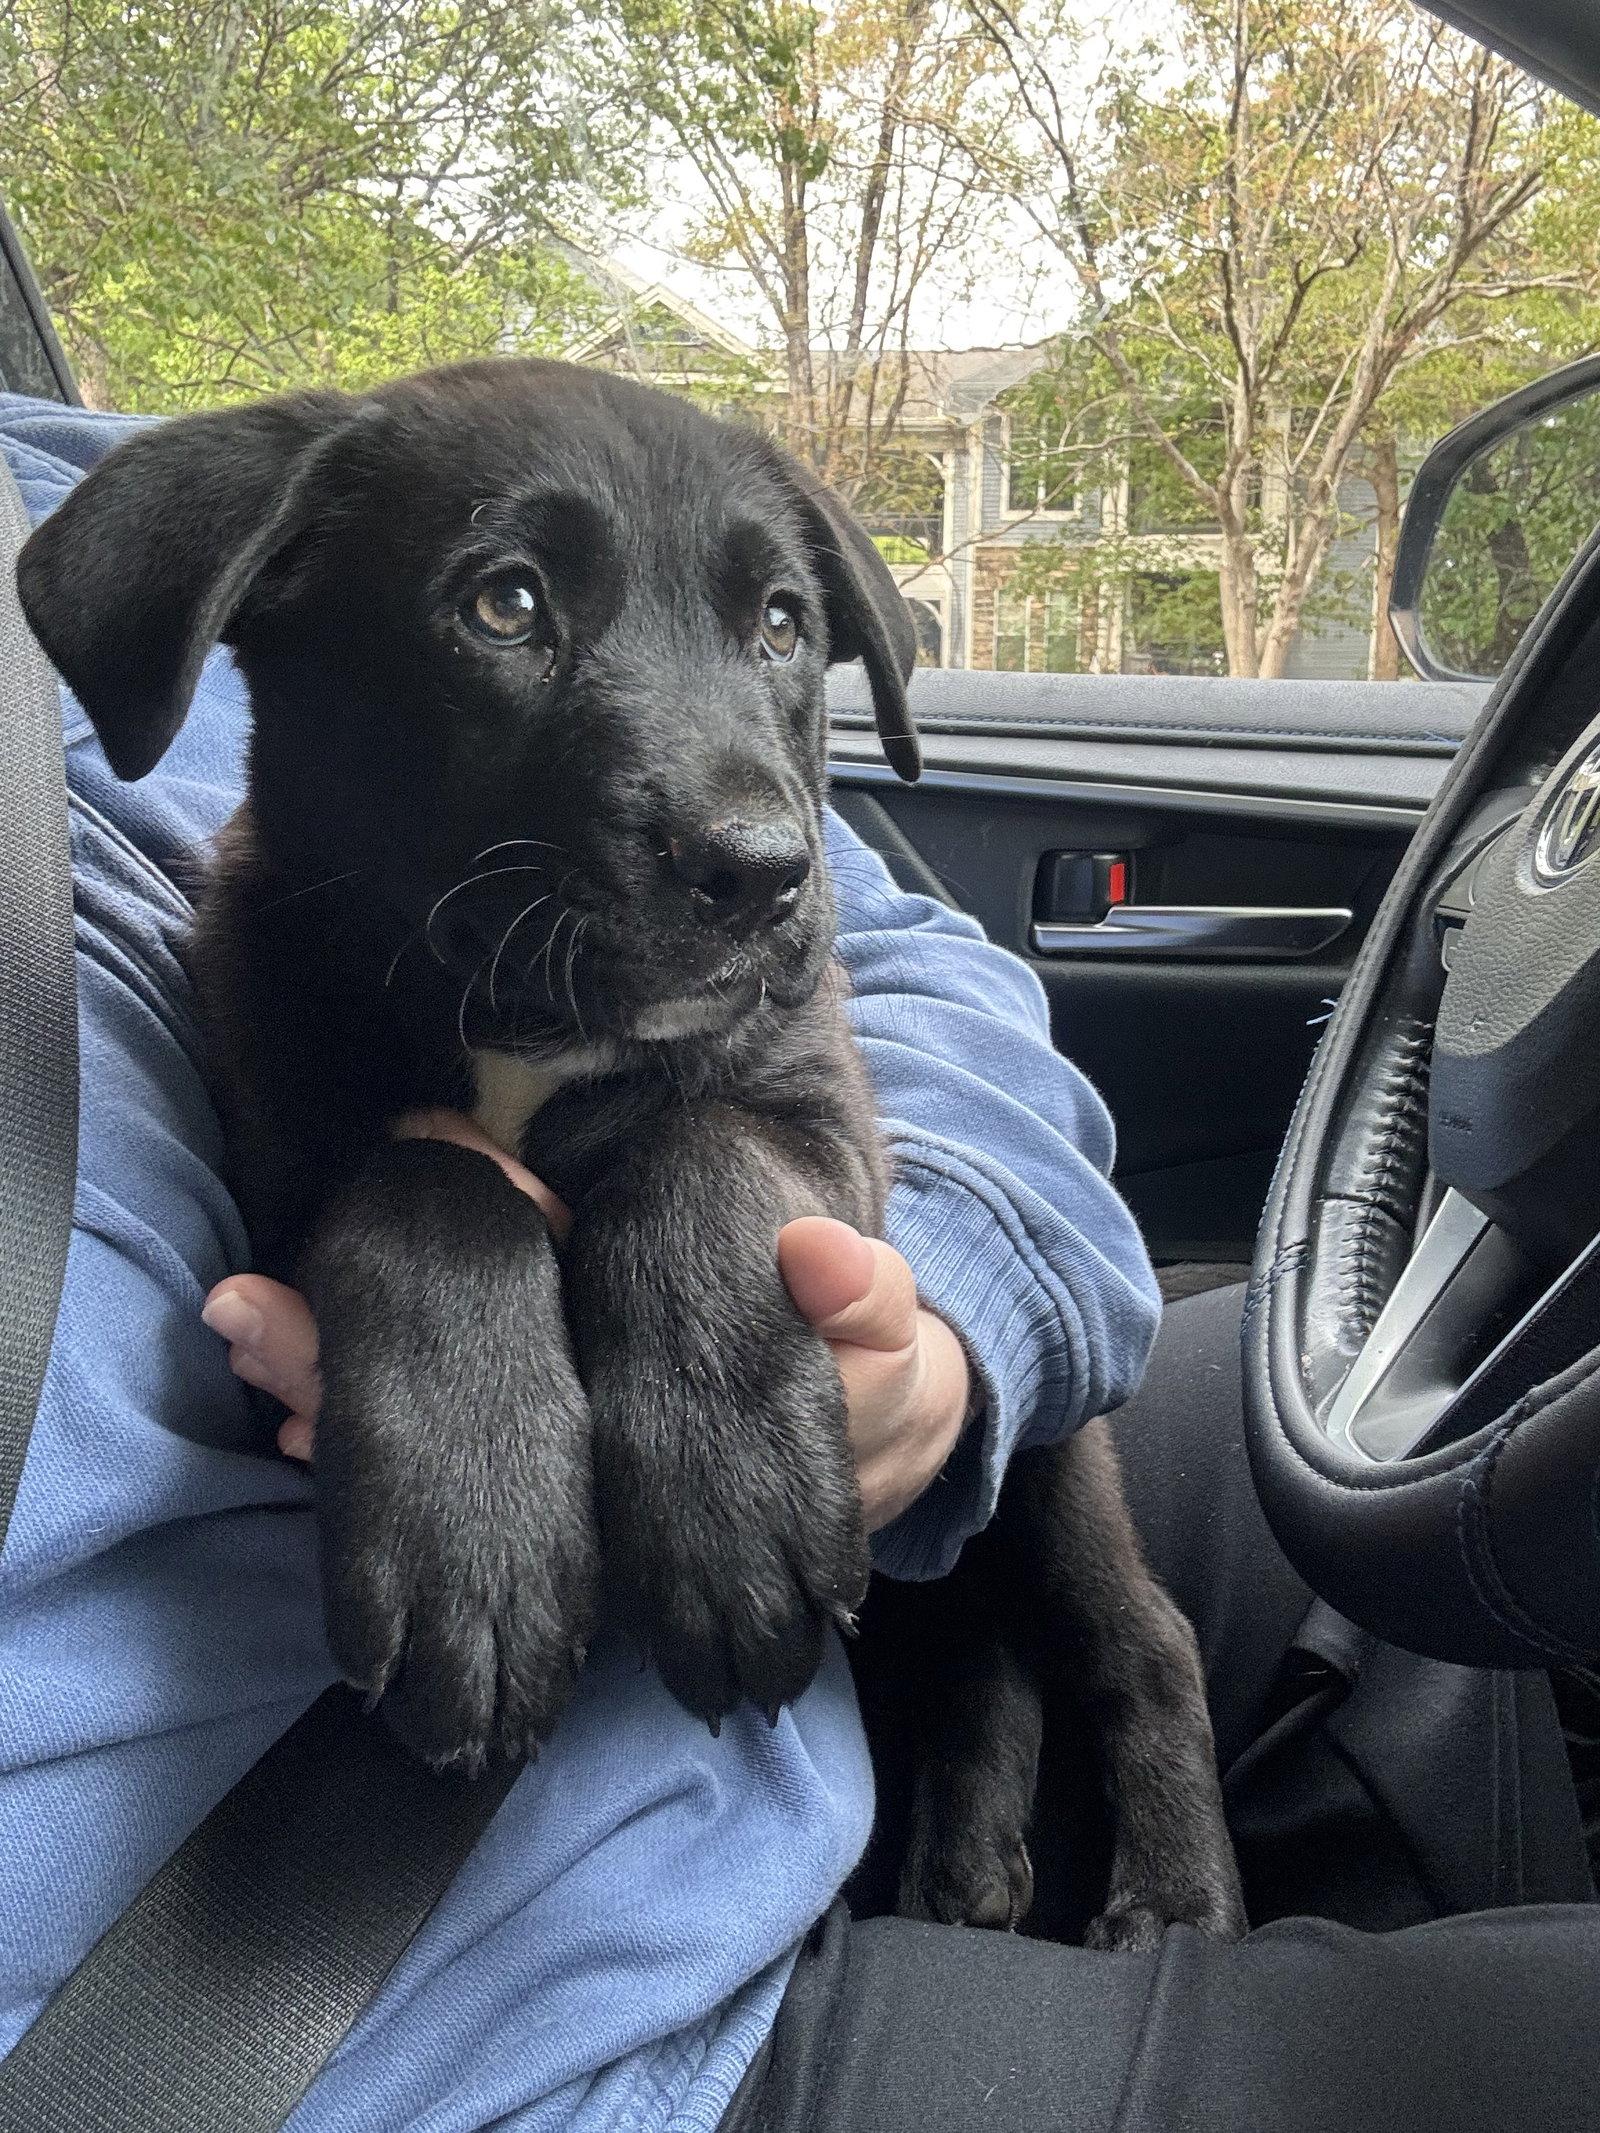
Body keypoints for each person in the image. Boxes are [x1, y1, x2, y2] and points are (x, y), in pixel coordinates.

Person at [0, 393, 1596, 2133]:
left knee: (1452, 1510)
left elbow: (919, 973)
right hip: (476, 1995)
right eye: (510, 605)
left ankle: (1106, 1721)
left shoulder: (71, 469)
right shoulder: (260, 884)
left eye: (774, 630)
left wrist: (937, 1341)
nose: (756, 830)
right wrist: (417, 1238)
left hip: (752, 1700)